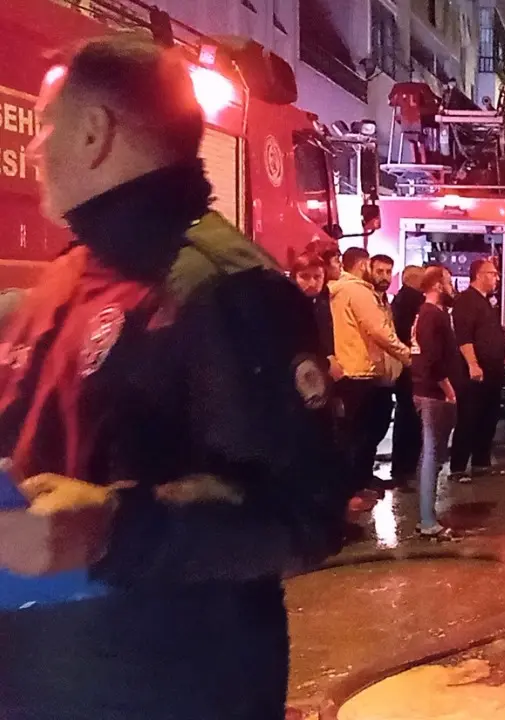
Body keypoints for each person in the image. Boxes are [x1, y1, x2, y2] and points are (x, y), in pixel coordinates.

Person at [0, 36, 347, 718]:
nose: (34, 148)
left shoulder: (224, 288)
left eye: (46, 125)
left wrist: (111, 528)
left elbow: (304, 515)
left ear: (94, 133)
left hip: (165, 691)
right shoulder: (66, 278)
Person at [331, 247, 412, 491]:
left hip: (363, 370)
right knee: (360, 433)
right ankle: (355, 485)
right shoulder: (358, 291)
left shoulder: (347, 291)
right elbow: (379, 331)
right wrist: (407, 356)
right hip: (360, 371)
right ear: (363, 265)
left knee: (364, 432)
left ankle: (362, 479)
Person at [410, 265, 460, 538]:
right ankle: (427, 521)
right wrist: (448, 388)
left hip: (429, 391)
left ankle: (426, 515)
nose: (452, 287)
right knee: (431, 454)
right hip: (433, 393)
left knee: (433, 454)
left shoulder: (429, 313)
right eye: (449, 282)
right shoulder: (432, 315)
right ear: (438, 285)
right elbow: (432, 358)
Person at [449, 258, 505, 480]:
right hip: (475, 372)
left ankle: (481, 462)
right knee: (469, 418)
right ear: (479, 275)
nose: (496, 278)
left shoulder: (485, 301)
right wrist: (473, 364)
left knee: (487, 417)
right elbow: (464, 336)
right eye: (492, 274)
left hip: (492, 370)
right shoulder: (466, 301)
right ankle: (458, 467)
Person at [390, 265, 427, 486]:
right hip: (410, 367)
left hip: (402, 367)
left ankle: (402, 467)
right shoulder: (414, 303)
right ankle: (406, 468)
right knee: (411, 418)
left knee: (405, 415)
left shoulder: (399, 300)